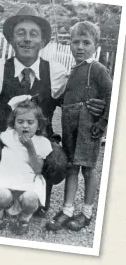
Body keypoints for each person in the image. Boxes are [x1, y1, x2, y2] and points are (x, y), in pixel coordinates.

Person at [0, 6, 106, 217]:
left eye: (34, 35)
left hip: (39, 141)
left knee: (58, 161)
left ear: (43, 42)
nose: (27, 39)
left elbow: (75, 98)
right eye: (20, 33)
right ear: (11, 40)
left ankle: (37, 198)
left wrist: (101, 105)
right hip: (4, 139)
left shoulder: (56, 72)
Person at [46, 21, 112, 232]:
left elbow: (112, 95)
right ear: (70, 45)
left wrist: (102, 122)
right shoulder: (73, 71)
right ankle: (67, 210)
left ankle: (86, 213)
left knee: (89, 171)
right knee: (72, 168)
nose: (80, 47)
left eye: (86, 42)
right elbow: (65, 99)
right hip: (70, 127)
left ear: (96, 45)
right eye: (76, 42)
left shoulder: (97, 69)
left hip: (88, 127)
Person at [0, 95, 53, 235]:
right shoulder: (10, 135)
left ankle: (24, 220)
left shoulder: (42, 142)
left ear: (39, 124)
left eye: (30, 122)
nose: (25, 125)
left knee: (31, 199)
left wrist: (30, 148)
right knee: (1, 195)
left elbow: (38, 169)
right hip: (6, 182)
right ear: (14, 123)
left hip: (28, 185)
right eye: (20, 121)